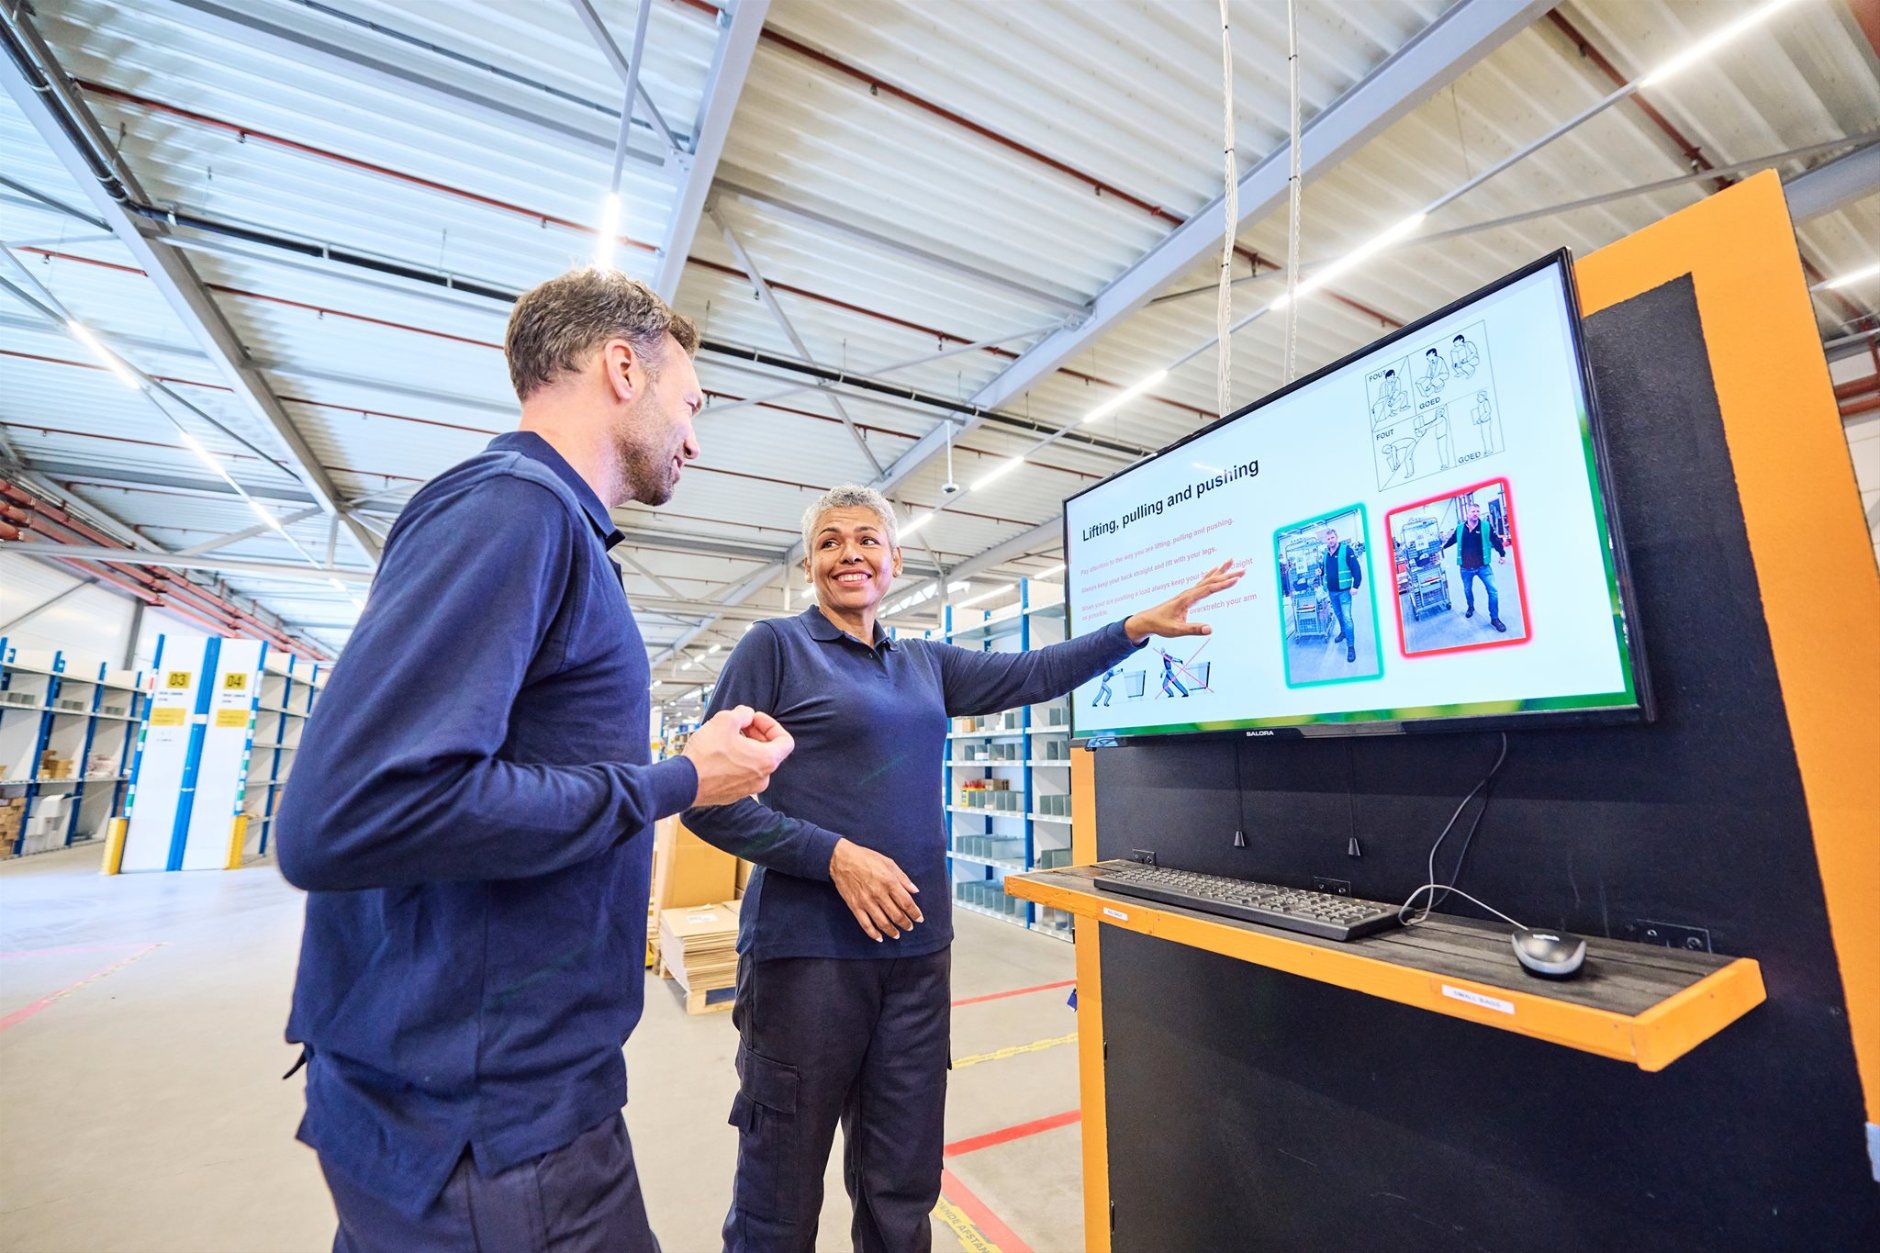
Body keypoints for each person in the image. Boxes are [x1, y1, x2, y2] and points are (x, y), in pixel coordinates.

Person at [275, 268, 796, 1252]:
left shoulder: (535, 528)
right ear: (619, 367)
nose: (693, 436)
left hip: (466, 1100)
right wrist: (678, 781)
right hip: (487, 1135)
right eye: (689, 403)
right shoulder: (516, 512)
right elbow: (342, 814)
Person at [682, 486, 1241, 1252]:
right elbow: (706, 802)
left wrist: (1133, 629)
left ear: (894, 559)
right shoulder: (775, 649)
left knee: (902, 1191)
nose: (851, 553)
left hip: (915, 962)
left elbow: (1034, 671)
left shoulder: (925, 664)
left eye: (868, 539)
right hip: (808, 961)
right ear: (809, 563)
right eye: (831, 541)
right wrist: (834, 856)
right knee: (780, 1193)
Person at [1443, 500, 1508, 632]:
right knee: (1467, 590)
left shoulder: (1485, 526)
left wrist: (1502, 554)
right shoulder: (1460, 528)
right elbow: (1452, 539)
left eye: (1477, 511)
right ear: (1467, 514)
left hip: (1483, 566)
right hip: (1465, 568)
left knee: (1493, 591)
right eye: (1473, 511)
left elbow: (1495, 540)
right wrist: (1442, 547)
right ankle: (1470, 606)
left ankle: (1495, 618)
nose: (1476, 514)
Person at [1317, 526, 1364, 663]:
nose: (1330, 540)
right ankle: (1343, 632)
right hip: (1332, 592)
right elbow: (1325, 569)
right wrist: (1321, 572)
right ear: (1326, 540)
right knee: (1338, 615)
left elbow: (1356, 568)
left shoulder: (1346, 550)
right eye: (1328, 539)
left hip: (1344, 592)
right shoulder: (1326, 554)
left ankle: (1350, 647)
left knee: (1347, 618)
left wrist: (1356, 585)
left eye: (1332, 538)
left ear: (1336, 538)